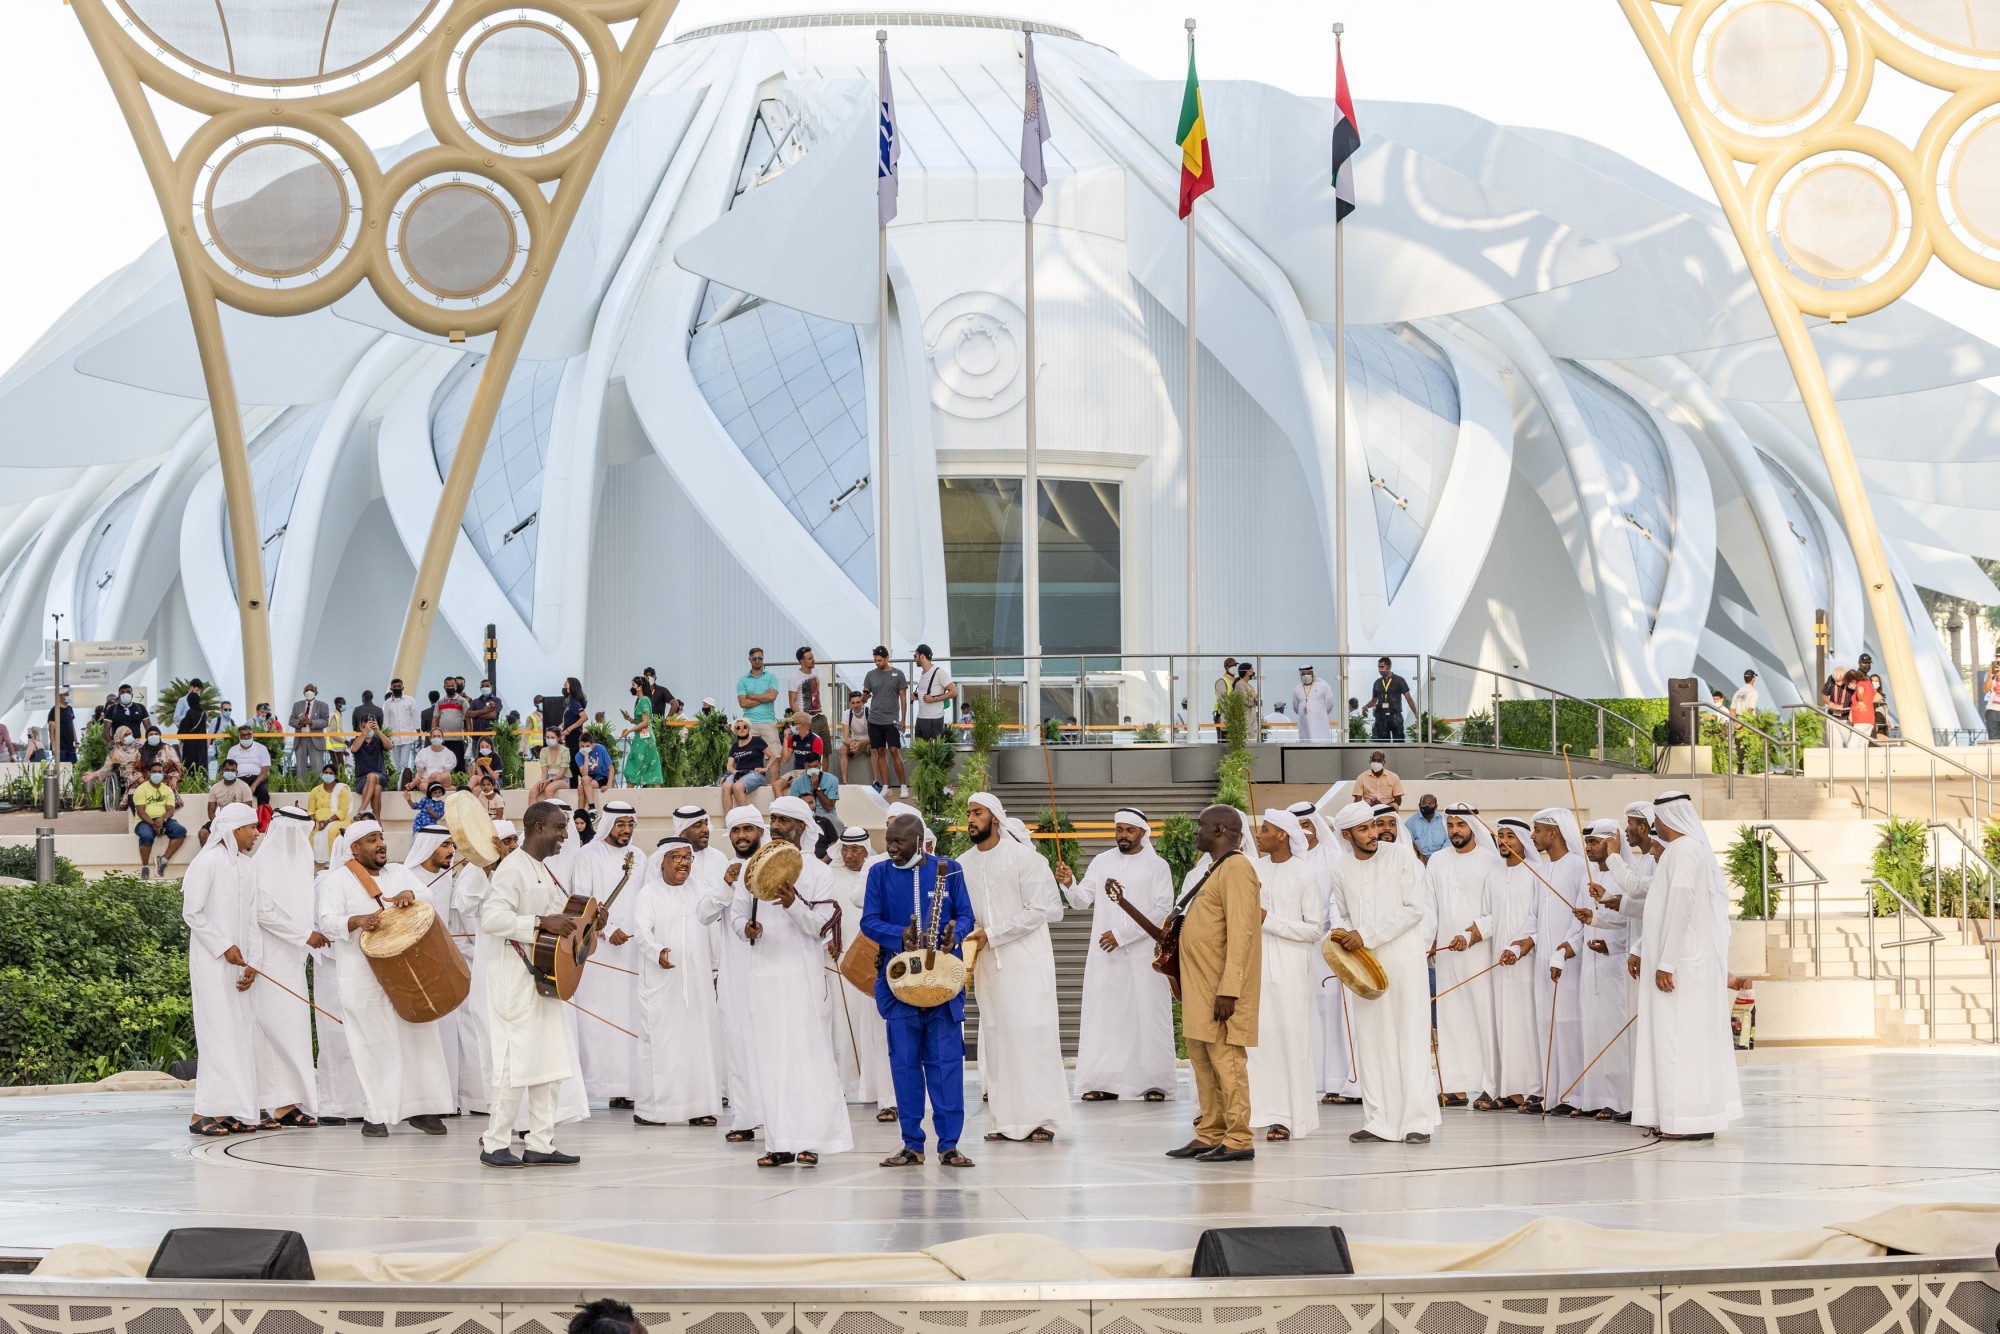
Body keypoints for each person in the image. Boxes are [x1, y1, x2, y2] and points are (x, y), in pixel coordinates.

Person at [730, 795, 852, 1167]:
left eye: (783, 820)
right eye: (773, 819)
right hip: (764, 977)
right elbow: (737, 916)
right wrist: (746, 928)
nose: (776, 825)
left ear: (802, 826)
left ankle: (810, 1140)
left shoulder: (817, 872)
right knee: (770, 1061)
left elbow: (821, 927)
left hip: (802, 979)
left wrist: (793, 905)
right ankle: (778, 1143)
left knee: (807, 1061)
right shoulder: (753, 869)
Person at [314, 820, 455, 1138]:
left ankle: (423, 1109)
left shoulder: (398, 873)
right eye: (372, 840)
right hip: (362, 975)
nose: (381, 844)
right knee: (373, 1044)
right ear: (354, 848)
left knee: (419, 1039)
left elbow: (426, 896)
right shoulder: (337, 881)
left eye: (381, 838)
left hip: (406, 972)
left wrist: (410, 894)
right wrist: (358, 920)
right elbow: (326, 921)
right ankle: (375, 1114)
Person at [476, 801, 589, 1166]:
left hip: (544, 980)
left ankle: (541, 1143)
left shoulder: (542, 869)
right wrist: (541, 923)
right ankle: (495, 1143)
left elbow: (565, 920)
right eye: (559, 828)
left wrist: (590, 924)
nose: (565, 836)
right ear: (538, 827)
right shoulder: (512, 869)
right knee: (514, 1064)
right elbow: (492, 919)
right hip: (515, 981)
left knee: (549, 1064)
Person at [862, 812, 977, 1167]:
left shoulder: (949, 868)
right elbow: (868, 921)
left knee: (946, 1064)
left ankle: (949, 1145)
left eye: (899, 842)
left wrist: (952, 934)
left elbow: (967, 916)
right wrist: (900, 935)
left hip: (943, 982)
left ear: (919, 841)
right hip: (899, 983)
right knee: (905, 1064)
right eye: (888, 841)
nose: (891, 848)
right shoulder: (878, 873)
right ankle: (912, 1144)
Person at [1631, 791, 1743, 1141]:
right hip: (1678, 962)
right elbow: (1661, 910)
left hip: (1682, 966)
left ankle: (1688, 1120)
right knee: (1670, 1040)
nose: (1654, 826)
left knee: (1679, 1041)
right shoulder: (1679, 853)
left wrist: (1665, 962)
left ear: (1670, 819)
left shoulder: (1684, 852)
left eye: (1657, 820)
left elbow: (1680, 907)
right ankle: (1671, 1116)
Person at [958, 793, 1070, 1144]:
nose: (971, 819)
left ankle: (1042, 1119)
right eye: (969, 814)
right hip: (989, 966)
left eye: (977, 813)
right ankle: (1006, 1119)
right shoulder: (963, 863)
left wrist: (993, 933)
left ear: (996, 818)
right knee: (998, 1038)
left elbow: (1043, 910)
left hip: (1027, 961)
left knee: (1032, 1035)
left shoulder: (1025, 859)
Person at [1325, 801, 1438, 1144]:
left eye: (1373, 826)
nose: (1374, 834)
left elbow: (1414, 910)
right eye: (1363, 829)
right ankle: (1379, 1121)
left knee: (1409, 1037)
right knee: (1373, 1041)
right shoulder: (1340, 868)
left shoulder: (1402, 857)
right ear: (1347, 835)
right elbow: (1342, 914)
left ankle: (1417, 1121)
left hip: (1403, 959)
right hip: (1365, 966)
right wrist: (1345, 935)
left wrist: (1367, 934)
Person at [1060, 808, 1176, 1103]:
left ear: (1142, 833)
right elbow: (1082, 901)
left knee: (1148, 1014)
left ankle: (1154, 1083)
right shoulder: (1102, 861)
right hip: (1106, 956)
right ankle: (1103, 1082)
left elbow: (1163, 909)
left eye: (1129, 830)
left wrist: (1122, 935)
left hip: (1143, 956)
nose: (1122, 835)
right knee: (1106, 1015)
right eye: (1119, 830)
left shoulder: (1157, 866)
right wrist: (1069, 883)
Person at [1167, 805, 1263, 1163]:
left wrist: (1230, 988)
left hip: (1221, 989)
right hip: (1199, 987)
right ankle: (1210, 1132)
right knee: (1202, 1060)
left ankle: (1238, 1138)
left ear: (1220, 829)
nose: (1195, 832)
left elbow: (1241, 934)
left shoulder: (1237, 869)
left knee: (1227, 1062)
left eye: (1200, 826)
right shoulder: (1214, 869)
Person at [181, 802, 264, 1136]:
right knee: (217, 1034)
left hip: (239, 967)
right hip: (212, 964)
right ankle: (202, 1112)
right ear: (234, 830)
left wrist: (254, 962)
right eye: (252, 828)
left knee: (239, 1036)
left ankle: (232, 1110)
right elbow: (193, 912)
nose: (257, 834)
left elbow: (252, 919)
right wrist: (223, 945)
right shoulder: (207, 862)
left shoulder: (247, 866)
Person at [631, 837, 726, 1126]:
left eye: (688, 857)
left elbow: (713, 929)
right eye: (677, 857)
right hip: (662, 983)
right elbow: (641, 931)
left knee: (700, 1042)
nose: (684, 862)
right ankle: (654, 1110)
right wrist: (656, 950)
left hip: (697, 983)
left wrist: (715, 969)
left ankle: (700, 1107)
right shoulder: (649, 894)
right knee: (661, 1043)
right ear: (662, 862)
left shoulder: (702, 891)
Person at [1244, 810, 1323, 1141]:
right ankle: (1262, 1113)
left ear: (1282, 835)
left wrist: (1268, 919)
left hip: (1291, 971)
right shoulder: (1253, 870)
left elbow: (1314, 929)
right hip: (1255, 966)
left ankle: (1291, 1117)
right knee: (1260, 1043)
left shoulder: (1304, 874)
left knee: (1291, 1041)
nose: (1257, 834)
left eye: (1265, 829)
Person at [250, 807, 324, 1128]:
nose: (298, 839)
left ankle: (288, 1102)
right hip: (268, 961)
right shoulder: (262, 864)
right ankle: (266, 1103)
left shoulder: (302, 861)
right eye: (292, 831)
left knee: (293, 1032)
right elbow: (263, 911)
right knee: (271, 1033)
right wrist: (303, 935)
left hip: (294, 962)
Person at [571, 801, 642, 1108]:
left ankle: (626, 1088)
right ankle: (593, 1086)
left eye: (630, 824)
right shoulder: (586, 855)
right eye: (620, 824)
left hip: (631, 948)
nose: (626, 830)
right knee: (597, 1018)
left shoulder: (640, 856)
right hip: (598, 951)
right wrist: (608, 926)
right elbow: (583, 899)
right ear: (608, 824)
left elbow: (646, 898)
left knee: (629, 1015)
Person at [1428, 804, 1499, 1109]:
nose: (1454, 830)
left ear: (1473, 827)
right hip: (1446, 953)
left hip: (1479, 952)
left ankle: (1489, 1083)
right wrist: (1429, 940)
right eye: (1451, 824)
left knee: (1481, 1016)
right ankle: (1455, 1085)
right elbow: (1429, 906)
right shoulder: (1437, 861)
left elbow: (1498, 911)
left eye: (1460, 824)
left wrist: (1471, 935)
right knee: (1450, 1017)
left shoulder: (1491, 861)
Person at [826, 828, 896, 1119]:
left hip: (874, 957)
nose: (849, 855)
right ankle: (845, 1083)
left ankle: (876, 1086)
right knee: (842, 1024)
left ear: (867, 850)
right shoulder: (830, 877)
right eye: (845, 850)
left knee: (873, 1024)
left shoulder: (878, 872)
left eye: (855, 850)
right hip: (841, 956)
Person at [448, 818, 513, 1116]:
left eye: (514, 840)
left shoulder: (520, 868)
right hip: (484, 960)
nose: (513, 847)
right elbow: (465, 906)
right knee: (485, 1036)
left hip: (515, 963)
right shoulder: (476, 871)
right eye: (507, 842)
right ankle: (484, 1102)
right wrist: (488, 873)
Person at [1528, 809, 1589, 1115]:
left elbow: (1583, 917)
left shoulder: (1578, 867)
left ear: (1553, 833)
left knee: (1569, 1026)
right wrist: (1520, 943)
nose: (1532, 836)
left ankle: (1574, 1095)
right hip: (1543, 962)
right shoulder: (1543, 869)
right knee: (1547, 1024)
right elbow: (1535, 916)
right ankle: (1554, 1094)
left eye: (1536, 830)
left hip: (1570, 961)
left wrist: (1565, 950)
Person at [1576, 819, 1634, 1121]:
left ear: (1612, 843)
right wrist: (1591, 919)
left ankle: (1625, 1100)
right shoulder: (1591, 878)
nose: (1588, 848)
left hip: (1617, 969)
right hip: (1592, 969)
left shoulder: (1626, 877)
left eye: (1595, 842)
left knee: (1617, 1036)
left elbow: (1635, 922)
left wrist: (1610, 947)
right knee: (1596, 1034)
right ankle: (1601, 1097)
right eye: (1587, 843)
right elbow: (1603, 920)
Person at [1488, 819, 1545, 1109]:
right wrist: (1469, 933)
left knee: (1526, 1022)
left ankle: (1535, 1087)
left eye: (1511, 836)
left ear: (1523, 840)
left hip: (1527, 960)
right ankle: (1509, 1089)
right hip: (1500, 960)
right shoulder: (1495, 875)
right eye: (1500, 836)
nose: (1504, 841)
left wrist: (1522, 946)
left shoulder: (1536, 874)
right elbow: (1489, 916)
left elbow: (1541, 919)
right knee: (1504, 1023)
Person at [126, 757, 186, 879]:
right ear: (148, 774)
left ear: (163, 774)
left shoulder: (167, 789)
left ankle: (163, 861)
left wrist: (162, 819)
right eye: (154, 772)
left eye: (159, 772)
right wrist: (154, 824)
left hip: (163, 819)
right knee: (146, 835)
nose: (157, 774)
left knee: (181, 831)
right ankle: (145, 867)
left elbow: (170, 810)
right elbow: (141, 811)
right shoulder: (141, 789)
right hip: (144, 821)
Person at [862, 645, 910, 796]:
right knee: (880, 752)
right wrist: (864, 696)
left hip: (892, 719)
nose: (877, 663)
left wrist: (903, 720)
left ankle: (903, 785)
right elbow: (864, 699)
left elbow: (903, 698)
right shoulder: (870, 675)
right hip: (874, 719)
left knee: (894, 750)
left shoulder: (898, 674)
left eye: (879, 660)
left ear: (887, 658)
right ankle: (887, 787)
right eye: (875, 660)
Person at [735, 648, 783, 756]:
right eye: (754, 658)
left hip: (768, 722)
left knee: (774, 757)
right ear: (750, 659)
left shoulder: (771, 677)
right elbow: (743, 703)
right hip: (750, 723)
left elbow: (772, 697)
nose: (757, 660)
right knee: (750, 758)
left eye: (760, 658)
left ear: (763, 658)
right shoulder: (742, 680)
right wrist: (764, 697)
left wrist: (751, 696)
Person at [305, 763, 354, 865]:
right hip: (318, 821)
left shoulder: (341, 790)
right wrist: (314, 821)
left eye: (330, 773)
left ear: (335, 776)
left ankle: (331, 862)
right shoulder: (315, 790)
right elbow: (311, 810)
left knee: (331, 831)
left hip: (338, 820)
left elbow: (342, 811)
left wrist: (327, 821)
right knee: (310, 831)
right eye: (325, 772)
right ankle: (311, 862)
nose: (327, 775)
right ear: (322, 774)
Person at [720, 718, 771, 810]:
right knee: (726, 787)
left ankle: (747, 819)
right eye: (738, 728)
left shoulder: (757, 741)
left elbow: (772, 757)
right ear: (735, 731)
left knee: (737, 787)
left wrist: (766, 768)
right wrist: (735, 772)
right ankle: (728, 821)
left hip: (754, 773)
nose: (742, 729)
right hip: (739, 773)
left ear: (748, 728)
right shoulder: (735, 746)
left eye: (744, 727)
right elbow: (729, 766)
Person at [620, 676, 663, 787]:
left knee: (633, 764)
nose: (632, 687)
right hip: (645, 737)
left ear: (640, 687)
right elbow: (641, 721)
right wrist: (630, 719)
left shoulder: (643, 700)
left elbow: (645, 722)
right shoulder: (641, 700)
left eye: (634, 685)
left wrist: (629, 730)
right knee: (651, 767)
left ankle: (629, 798)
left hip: (644, 739)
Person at [788, 647, 833, 753]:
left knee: (825, 752)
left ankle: (823, 771)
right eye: (809, 658)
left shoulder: (815, 671)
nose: (813, 660)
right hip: (807, 719)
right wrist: (802, 720)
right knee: (810, 752)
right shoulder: (794, 677)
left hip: (820, 716)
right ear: (802, 661)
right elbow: (792, 701)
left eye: (812, 657)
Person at [911, 644, 956, 741]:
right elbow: (928, 692)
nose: (914, 659)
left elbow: (954, 692)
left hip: (934, 719)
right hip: (921, 717)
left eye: (915, 656)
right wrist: (917, 696)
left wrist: (934, 699)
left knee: (931, 753)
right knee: (920, 752)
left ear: (922, 656)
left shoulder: (939, 673)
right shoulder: (923, 673)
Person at [346, 716, 386, 822]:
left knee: (372, 776)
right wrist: (364, 733)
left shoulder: (378, 740)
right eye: (365, 727)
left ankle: (362, 809)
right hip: (361, 779)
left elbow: (390, 746)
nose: (368, 729)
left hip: (380, 776)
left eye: (370, 727)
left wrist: (378, 731)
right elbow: (354, 749)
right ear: (360, 727)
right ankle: (378, 821)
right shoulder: (354, 741)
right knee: (376, 789)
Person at [225, 723, 273, 809]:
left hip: (258, 780)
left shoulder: (261, 748)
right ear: (239, 736)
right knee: (232, 796)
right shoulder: (233, 751)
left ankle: (263, 819)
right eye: (243, 735)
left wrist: (253, 786)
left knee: (263, 793)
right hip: (239, 780)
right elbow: (229, 769)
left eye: (249, 734)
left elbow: (265, 772)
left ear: (252, 735)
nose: (246, 737)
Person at [1369, 656, 1416, 742]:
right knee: (1382, 745)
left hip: (1395, 715)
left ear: (1389, 667)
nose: (1380, 669)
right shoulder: (1377, 683)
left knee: (1398, 744)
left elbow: (1408, 698)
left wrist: (1416, 713)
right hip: (1381, 717)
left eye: (1382, 667)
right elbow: (1374, 700)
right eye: (1379, 667)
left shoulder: (1399, 680)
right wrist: (1365, 707)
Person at [290, 684, 331, 780]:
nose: (309, 691)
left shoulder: (323, 705)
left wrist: (311, 722)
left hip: (316, 741)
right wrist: (299, 723)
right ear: (303, 692)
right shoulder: (297, 705)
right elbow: (291, 720)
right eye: (307, 690)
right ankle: (301, 791)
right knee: (300, 770)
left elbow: (325, 722)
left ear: (316, 692)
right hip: (300, 741)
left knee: (317, 769)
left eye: (311, 689)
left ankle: (319, 791)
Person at [383, 678, 422, 775]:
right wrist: (386, 738)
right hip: (393, 738)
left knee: (404, 764)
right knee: (396, 765)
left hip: (407, 737)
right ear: (391, 688)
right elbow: (386, 721)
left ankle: (403, 784)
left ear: (403, 687)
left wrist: (419, 735)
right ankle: (397, 784)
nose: (397, 688)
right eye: (394, 687)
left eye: (399, 686)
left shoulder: (410, 700)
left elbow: (415, 717)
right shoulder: (387, 703)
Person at [1290, 666, 1337, 742]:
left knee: (1320, 745)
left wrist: (1320, 713)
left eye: (1308, 673)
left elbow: (1330, 703)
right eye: (1304, 674)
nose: (1306, 676)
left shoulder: (1323, 685)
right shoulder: (1297, 689)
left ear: (1313, 674)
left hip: (1320, 723)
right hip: (1304, 724)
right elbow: (1296, 707)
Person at [177, 679, 211, 777]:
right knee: (201, 765)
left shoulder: (190, 713)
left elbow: (182, 730)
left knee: (190, 767)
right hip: (201, 745)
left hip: (190, 745)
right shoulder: (203, 713)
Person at [1404, 794, 1447, 863]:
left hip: (1442, 859)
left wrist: (1439, 857)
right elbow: (1408, 842)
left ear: (1436, 806)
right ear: (1419, 805)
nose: (1427, 806)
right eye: (1424, 804)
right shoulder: (1410, 822)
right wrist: (1421, 857)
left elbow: (1449, 841)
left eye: (1431, 804)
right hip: (1418, 860)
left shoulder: (1444, 822)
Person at [576, 731, 612, 811]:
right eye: (582, 746)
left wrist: (608, 785)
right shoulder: (578, 756)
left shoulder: (600, 748)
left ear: (592, 745)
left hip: (602, 775)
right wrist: (586, 757)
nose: (585, 748)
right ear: (579, 745)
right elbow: (584, 774)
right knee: (583, 781)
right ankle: (580, 814)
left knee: (581, 788)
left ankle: (592, 809)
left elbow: (611, 768)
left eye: (587, 746)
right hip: (589, 777)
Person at [839, 691, 870, 785]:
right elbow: (845, 738)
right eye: (853, 703)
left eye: (858, 702)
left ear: (862, 702)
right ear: (850, 704)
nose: (856, 705)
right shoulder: (846, 714)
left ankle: (876, 781)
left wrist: (860, 744)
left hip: (868, 741)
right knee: (842, 749)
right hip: (854, 741)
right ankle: (845, 782)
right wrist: (851, 744)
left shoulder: (869, 712)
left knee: (875, 749)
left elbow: (875, 737)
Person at [532, 728, 571, 803]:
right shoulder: (543, 751)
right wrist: (543, 781)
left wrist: (549, 781)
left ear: (558, 738)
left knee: (548, 789)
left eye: (552, 737)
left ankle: (551, 814)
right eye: (548, 737)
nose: (550, 739)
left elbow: (562, 773)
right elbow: (544, 771)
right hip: (547, 778)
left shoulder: (565, 750)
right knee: (533, 791)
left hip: (562, 779)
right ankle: (533, 814)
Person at [46, 689, 78, 764]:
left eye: (68, 694)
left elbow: (72, 726)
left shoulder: (70, 709)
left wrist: (76, 741)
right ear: (59, 697)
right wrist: (53, 746)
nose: (68, 696)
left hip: (70, 746)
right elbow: (51, 730)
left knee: (73, 766)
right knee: (62, 767)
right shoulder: (54, 710)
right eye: (66, 694)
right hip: (60, 747)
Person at [1984, 655, 2000, 742]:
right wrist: (1990, 677)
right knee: (1994, 742)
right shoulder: (1991, 672)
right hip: (1993, 710)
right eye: (1997, 656)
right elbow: (1985, 690)